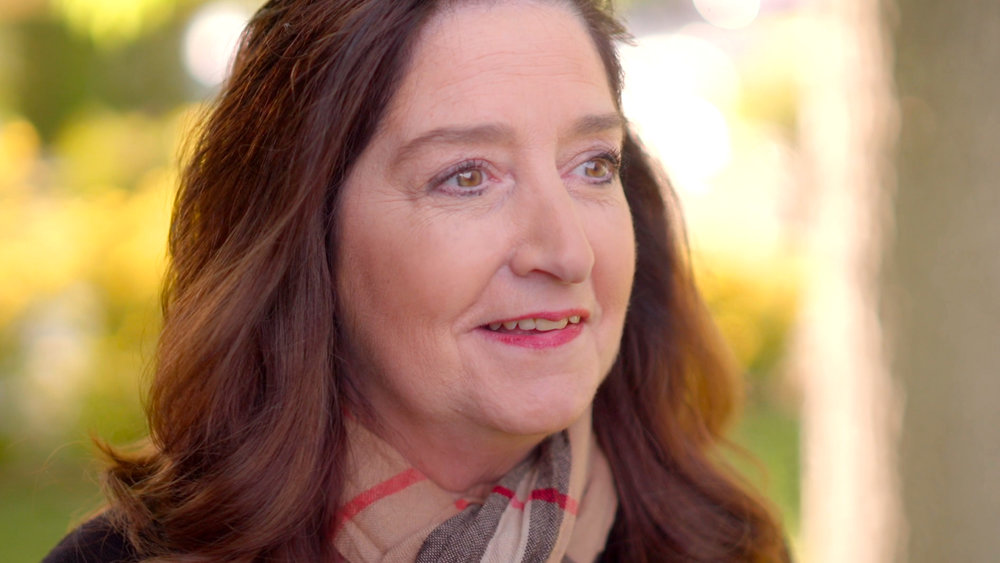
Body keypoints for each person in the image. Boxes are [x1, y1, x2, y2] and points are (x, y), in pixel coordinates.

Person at [45, 0, 789, 561]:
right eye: (466, 176)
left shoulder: (716, 544)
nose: (568, 252)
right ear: (307, 236)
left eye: (593, 165)